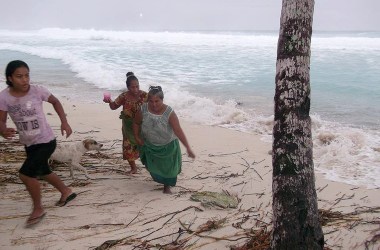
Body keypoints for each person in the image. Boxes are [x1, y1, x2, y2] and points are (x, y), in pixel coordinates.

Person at [0, 60, 77, 227]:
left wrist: (64, 122)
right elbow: (1, 120)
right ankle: (65, 191)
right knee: (42, 171)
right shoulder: (4, 97)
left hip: (46, 140)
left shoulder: (37, 90)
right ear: (10, 78)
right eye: (19, 76)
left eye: (27, 75)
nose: (25, 80)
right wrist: (3, 130)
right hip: (29, 143)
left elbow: (56, 102)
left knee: (26, 174)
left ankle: (38, 208)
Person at [133, 86, 195, 194]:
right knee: (153, 166)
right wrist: (137, 137)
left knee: (170, 170)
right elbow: (136, 123)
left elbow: (178, 130)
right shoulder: (143, 109)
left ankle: (167, 186)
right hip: (150, 144)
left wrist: (188, 147)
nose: (154, 104)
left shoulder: (169, 113)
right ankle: (159, 179)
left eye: (157, 101)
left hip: (168, 145)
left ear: (162, 100)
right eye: (151, 101)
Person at [103, 72, 148, 174]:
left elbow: (156, 104)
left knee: (146, 146)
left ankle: (151, 166)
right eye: (133, 87)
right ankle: (133, 168)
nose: (135, 89)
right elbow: (113, 107)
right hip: (128, 127)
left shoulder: (145, 95)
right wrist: (109, 101)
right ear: (128, 87)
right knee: (128, 147)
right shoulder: (124, 96)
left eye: (137, 86)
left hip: (143, 126)